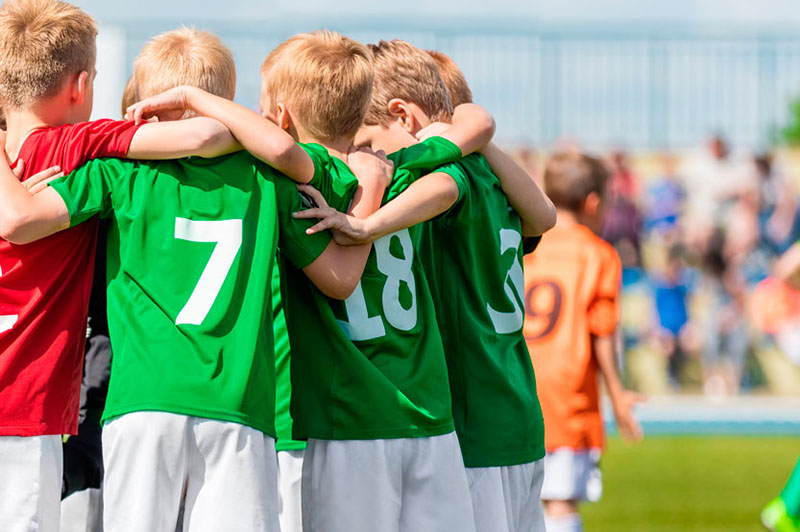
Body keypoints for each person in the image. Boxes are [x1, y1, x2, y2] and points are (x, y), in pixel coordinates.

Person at [2, 26, 392, 532]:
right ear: (224, 99)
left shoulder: (114, 172)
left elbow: (23, 218)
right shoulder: (264, 178)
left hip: (141, 404)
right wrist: (371, 199)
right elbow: (340, 279)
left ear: (145, 103)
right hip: (237, 409)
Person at [129, 33, 495, 531]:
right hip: (429, 413)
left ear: (279, 117)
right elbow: (474, 127)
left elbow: (340, 278)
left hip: (343, 419)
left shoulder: (295, 185)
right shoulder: (397, 167)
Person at [0, 2, 253, 529]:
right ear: (82, 85)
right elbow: (201, 137)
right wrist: (262, 131)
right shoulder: (78, 147)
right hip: (23, 405)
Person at [304, 43, 556, 532]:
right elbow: (543, 215)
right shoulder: (500, 182)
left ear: (403, 115)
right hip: (517, 413)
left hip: (471, 422)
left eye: (370, 138)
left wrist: (367, 223)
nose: (365, 153)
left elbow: (448, 185)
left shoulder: (433, 175)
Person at [523, 152, 644, 532]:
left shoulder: (527, 244)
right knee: (561, 501)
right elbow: (602, 334)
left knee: (520, 498)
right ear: (593, 202)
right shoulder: (598, 254)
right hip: (567, 394)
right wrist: (618, 395)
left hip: (517, 381)